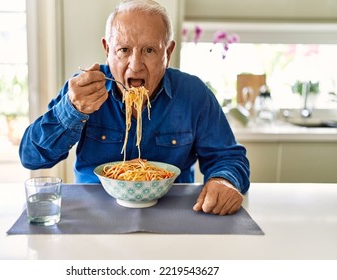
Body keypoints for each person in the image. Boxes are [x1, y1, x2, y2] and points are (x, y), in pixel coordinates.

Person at [19, 0, 250, 215]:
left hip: (173, 214)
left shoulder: (194, 94)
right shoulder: (83, 89)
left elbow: (228, 157)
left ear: (168, 53)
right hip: (94, 214)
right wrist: (71, 111)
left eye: (149, 50)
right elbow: (32, 158)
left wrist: (224, 180)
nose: (136, 65)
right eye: (124, 50)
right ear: (107, 49)